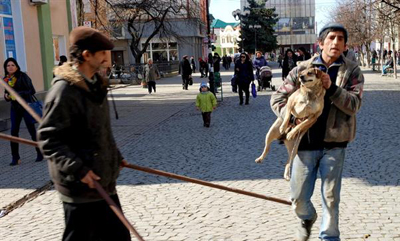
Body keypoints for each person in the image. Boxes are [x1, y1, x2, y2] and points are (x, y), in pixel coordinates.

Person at [271, 23, 364, 241]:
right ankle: (307, 218)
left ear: (345, 44)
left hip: (335, 143)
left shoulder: (351, 70)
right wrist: (292, 115)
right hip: (304, 143)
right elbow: (277, 98)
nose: (336, 42)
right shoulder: (302, 69)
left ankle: (329, 237)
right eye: (331, 38)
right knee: (298, 198)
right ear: (320, 43)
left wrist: (332, 88)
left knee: (331, 197)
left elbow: (354, 104)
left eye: (341, 38)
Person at [36, 26, 131, 241]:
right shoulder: (63, 92)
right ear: (87, 55)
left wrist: (115, 156)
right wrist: (79, 170)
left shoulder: (97, 85)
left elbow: (100, 131)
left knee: (118, 236)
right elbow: (49, 139)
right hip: (80, 188)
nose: (108, 59)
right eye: (103, 54)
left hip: (103, 181)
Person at [3, 58, 43, 166]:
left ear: (16, 66)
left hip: (26, 107)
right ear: (5, 68)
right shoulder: (6, 79)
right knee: (13, 132)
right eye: (8, 65)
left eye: (12, 65)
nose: (10, 67)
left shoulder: (23, 76)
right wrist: (6, 96)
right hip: (15, 109)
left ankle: (39, 152)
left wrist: (18, 94)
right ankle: (15, 157)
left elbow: (31, 90)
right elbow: (7, 94)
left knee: (31, 131)